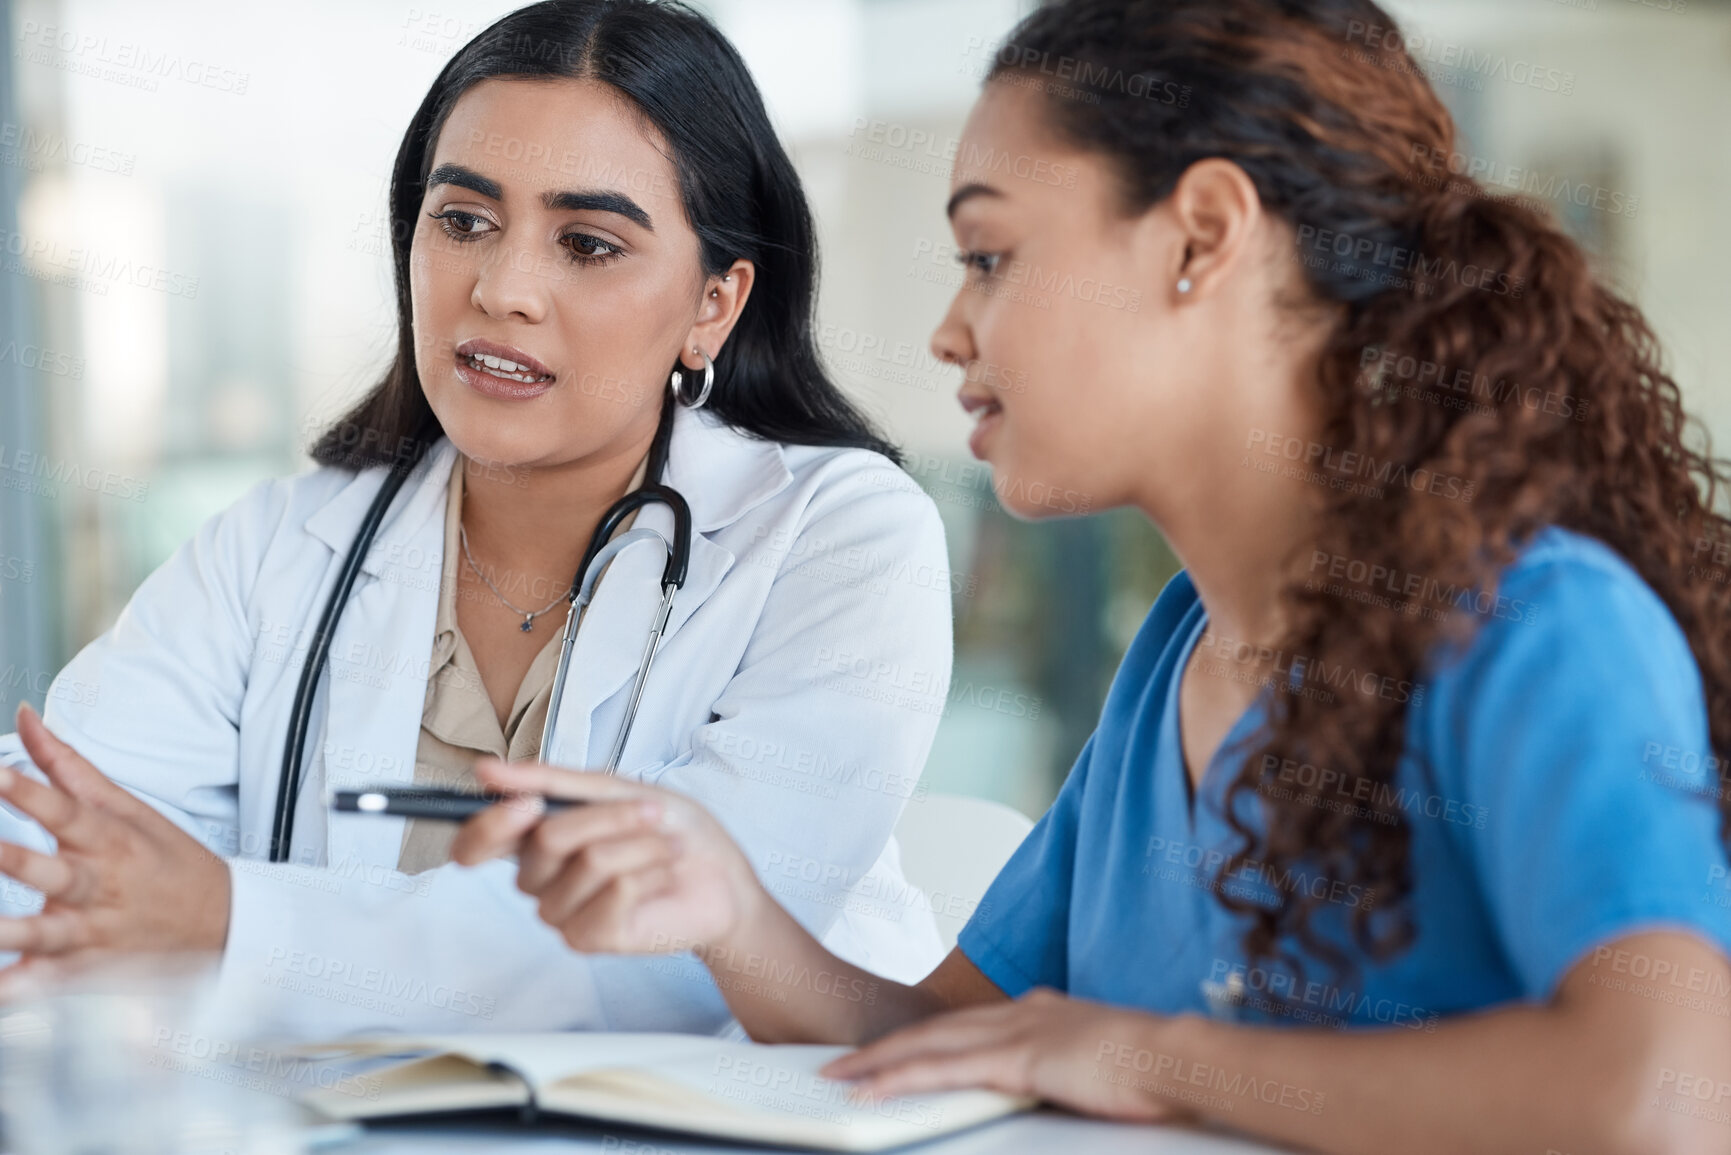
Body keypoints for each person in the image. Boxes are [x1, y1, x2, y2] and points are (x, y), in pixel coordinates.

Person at [451, 0, 1731, 1149]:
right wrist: (724, 904)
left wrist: (1151, 1059)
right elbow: (944, 1033)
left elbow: (1667, 1095)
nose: (951, 329)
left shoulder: (1538, 625)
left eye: (991, 256)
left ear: (1203, 237)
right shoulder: (1176, 658)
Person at [0, 0, 952, 1039]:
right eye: (463, 221)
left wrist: (230, 922)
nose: (502, 290)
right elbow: (52, 851)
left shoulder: (841, 541)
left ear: (712, 305)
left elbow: (675, 941)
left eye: (587, 243)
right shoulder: (274, 549)